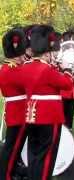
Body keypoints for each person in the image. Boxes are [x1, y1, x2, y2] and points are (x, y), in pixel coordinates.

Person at [19, 25, 73, 180]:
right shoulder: (47, 70)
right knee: (47, 155)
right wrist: (66, 69)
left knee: (33, 153)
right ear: (47, 51)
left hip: (30, 115)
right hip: (49, 117)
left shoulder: (25, 66)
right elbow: (67, 84)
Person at [0, 27, 28, 180]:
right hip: (18, 112)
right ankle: (6, 175)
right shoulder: (12, 69)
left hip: (16, 111)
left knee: (13, 147)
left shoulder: (11, 67)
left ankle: (9, 172)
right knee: (12, 148)